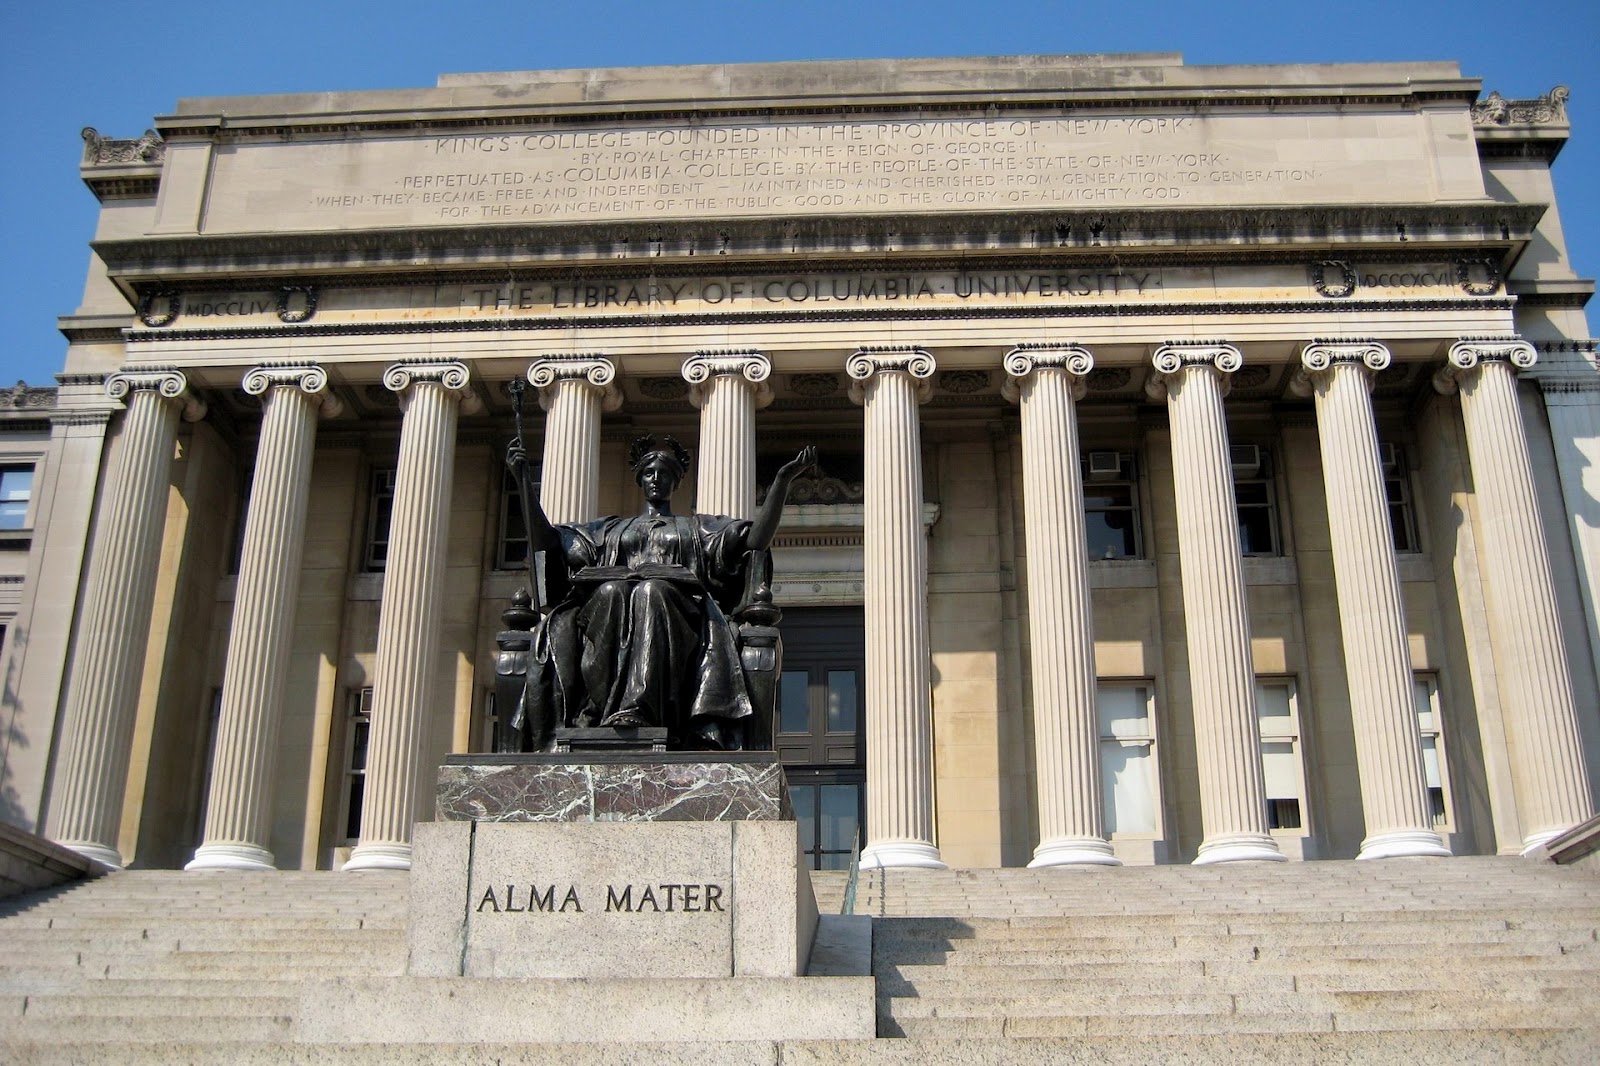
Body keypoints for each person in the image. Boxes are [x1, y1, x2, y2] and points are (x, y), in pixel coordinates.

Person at [505, 436, 816, 750]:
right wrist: (522, 482)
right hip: (609, 609)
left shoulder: (696, 529)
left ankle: (639, 708)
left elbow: (755, 540)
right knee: (612, 591)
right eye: (650, 472)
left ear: (676, 482)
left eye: (664, 474)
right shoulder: (609, 531)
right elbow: (547, 541)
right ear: (640, 478)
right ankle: (602, 707)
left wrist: (781, 482)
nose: (656, 479)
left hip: (679, 618)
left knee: (652, 592)